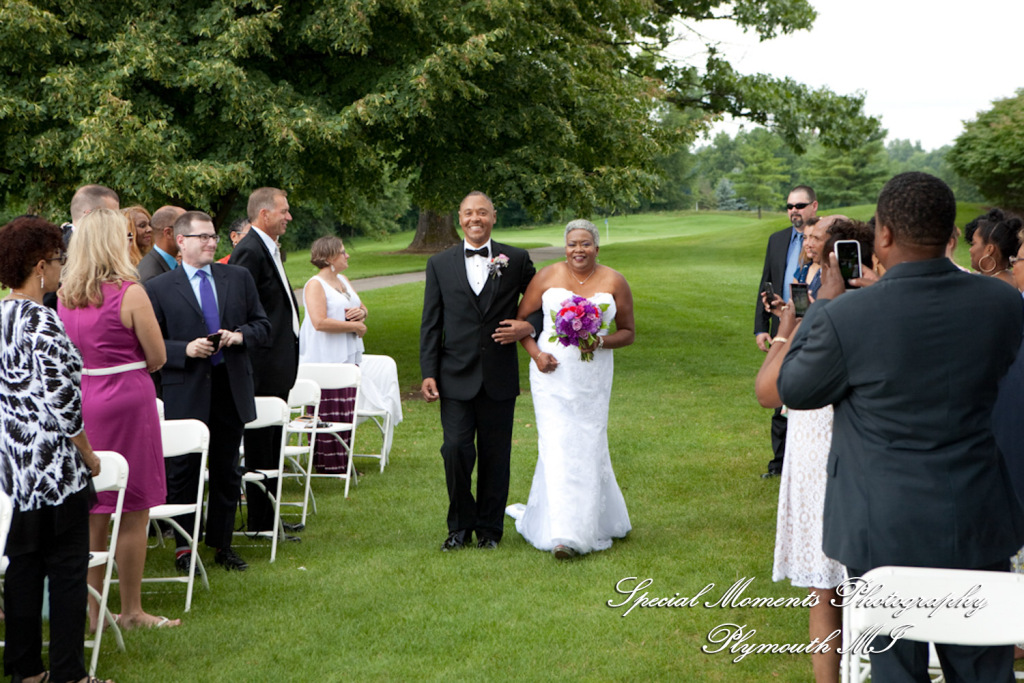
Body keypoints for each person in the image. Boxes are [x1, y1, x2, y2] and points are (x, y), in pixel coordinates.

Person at [778, 172, 1024, 682]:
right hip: (976, 515)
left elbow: (797, 390)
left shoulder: (846, 315)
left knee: (897, 671)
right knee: (982, 670)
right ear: (951, 234)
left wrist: (824, 303)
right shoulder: (1002, 305)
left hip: (881, 524)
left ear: (883, 234)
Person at [756, 218, 874, 683]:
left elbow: (769, 390)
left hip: (822, 440)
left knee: (823, 588)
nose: (807, 238)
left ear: (836, 257)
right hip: (829, 443)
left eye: (817, 236)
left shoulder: (827, 314)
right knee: (837, 585)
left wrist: (789, 326)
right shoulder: (871, 302)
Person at [0, 216, 114, 683]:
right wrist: (89, 456)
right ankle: (70, 674)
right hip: (52, 469)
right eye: (60, 261)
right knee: (67, 572)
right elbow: (64, 403)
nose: (63, 270)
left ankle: (25, 669)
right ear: (41, 266)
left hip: (14, 469)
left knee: (23, 569)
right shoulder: (41, 320)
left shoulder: (2, 316)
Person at [57, 209, 180, 631]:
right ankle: (131, 610)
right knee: (133, 507)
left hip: (85, 398)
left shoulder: (65, 296)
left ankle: (93, 614)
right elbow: (158, 356)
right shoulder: (129, 292)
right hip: (127, 398)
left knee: (96, 507)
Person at [147, 211, 271, 572]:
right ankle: (185, 549)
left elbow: (263, 326)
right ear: (181, 241)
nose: (210, 243)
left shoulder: (238, 277)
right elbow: (148, 344)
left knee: (226, 469)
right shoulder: (158, 288)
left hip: (229, 387)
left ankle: (222, 543)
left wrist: (239, 336)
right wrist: (183, 350)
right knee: (183, 470)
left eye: (213, 236)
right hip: (185, 388)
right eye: (202, 237)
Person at [506, 219, 634, 559]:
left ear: (596, 247)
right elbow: (522, 324)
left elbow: (629, 332)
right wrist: (536, 356)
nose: (578, 250)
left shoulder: (614, 280)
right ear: (565, 247)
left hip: (592, 378)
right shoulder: (547, 276)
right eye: (572, 244)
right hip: (552, 375)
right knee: (557, 445)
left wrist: (600, 341)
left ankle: (594, 521)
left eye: (585, 244)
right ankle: (564, 535)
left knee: (590, 443)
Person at [419, 191, 539, 551]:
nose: (476, 218)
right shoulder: (439, 264)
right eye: (469, 213)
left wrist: (527, 326)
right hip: (454, 374)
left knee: (495, 454)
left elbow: (542, 301)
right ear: (460, 218)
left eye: (482, 213)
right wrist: (429, 370)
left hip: (499, 375)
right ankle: (459, 527)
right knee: (455, 450)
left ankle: (489, 530)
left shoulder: (515, 260)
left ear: (494, 217)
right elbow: (431, 322)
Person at [230, 187, 302, 536]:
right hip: (263, 366)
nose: (289, 217)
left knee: (273, 440)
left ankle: (269, 515)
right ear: (264, 214)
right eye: (284, 211)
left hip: (279, 363)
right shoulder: (249, 251)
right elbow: (245, 310)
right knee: (261, 442)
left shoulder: (268, 248)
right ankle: (260, 520)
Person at [754, 185, 818, 478]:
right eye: (790, 206)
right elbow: (765, 282)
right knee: (778, 392)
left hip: (813, 325)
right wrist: (761, 327)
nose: (794, 211)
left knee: (800, 391)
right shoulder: (778, 240)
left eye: (800, 205)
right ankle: (779, 463)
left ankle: (804, 459)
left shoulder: (823, 240)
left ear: (814, 206)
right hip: (784, 320)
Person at [299, 236, 368, 473]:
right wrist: (354, 327)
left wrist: (361, 314)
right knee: (328, 409)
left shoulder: (343, 280)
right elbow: (318, 321)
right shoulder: (315, 285)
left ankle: (344, 461)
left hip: (348, 353)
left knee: (346, 408)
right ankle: (327, 463)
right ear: (329, 258)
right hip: (325, 355)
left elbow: (360, 306)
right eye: (342, 252)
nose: (347, 256)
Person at [969, 213, 1020, 288]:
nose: (970, 250)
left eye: (973, 243)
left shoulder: (997, 286)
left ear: (989, 249)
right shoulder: (1013, 280)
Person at [137, 205, 185, 283]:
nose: (191, 233)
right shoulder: (152, 277)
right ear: (169, 233)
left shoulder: (168, 263)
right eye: (186, 227)